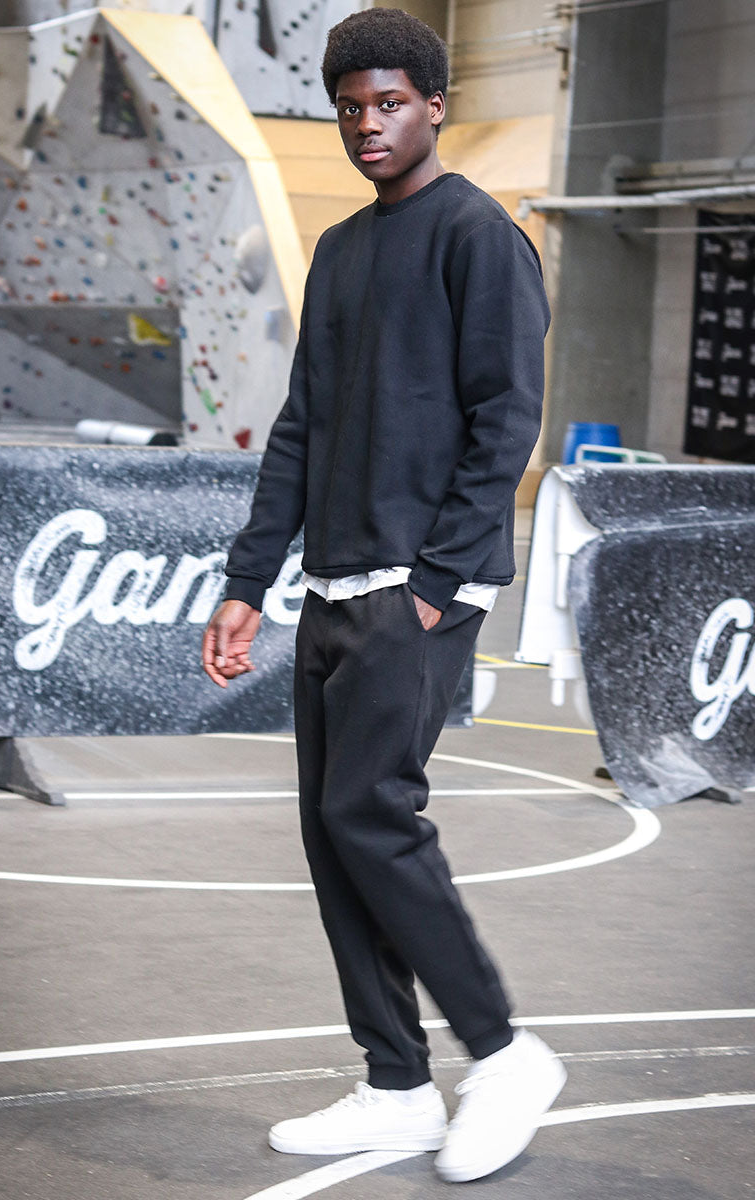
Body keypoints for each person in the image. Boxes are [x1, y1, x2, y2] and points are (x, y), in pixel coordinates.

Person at [202, 7, 565, 1183]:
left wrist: (437, 584)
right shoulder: (342, 249)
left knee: (370, 814)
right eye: (350, 107)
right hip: (328, 586)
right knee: (332, 831)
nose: (367, 124)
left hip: (413, 590)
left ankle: (502, 1054)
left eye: (389, 103)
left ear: (433, 106)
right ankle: (397, 1085)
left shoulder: (479, 236)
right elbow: (300, 426)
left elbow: (505, 421)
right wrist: (248, 580)